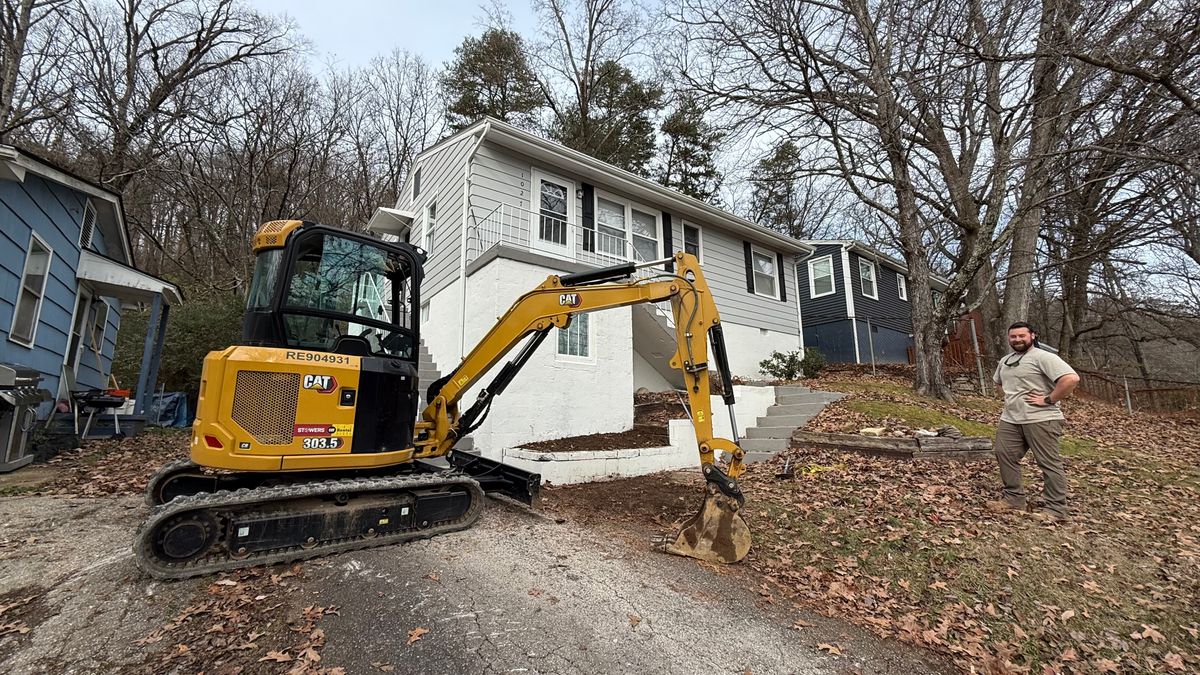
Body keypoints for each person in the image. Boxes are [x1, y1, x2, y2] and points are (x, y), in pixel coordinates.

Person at [987, 322, 1081, 522]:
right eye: (1013, 336)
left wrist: (1049, 399)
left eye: (1022, 336)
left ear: (1032, 336)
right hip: (1011, 419)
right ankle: (1014, 499)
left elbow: (1071, 379)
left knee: (1048, 462)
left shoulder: (1043, 357)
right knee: (1004, 454)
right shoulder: (1006, 360)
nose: (1017, 340)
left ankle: (1056, 509)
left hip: (1041, 418)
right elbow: (999, 383)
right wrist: (1011, 399)